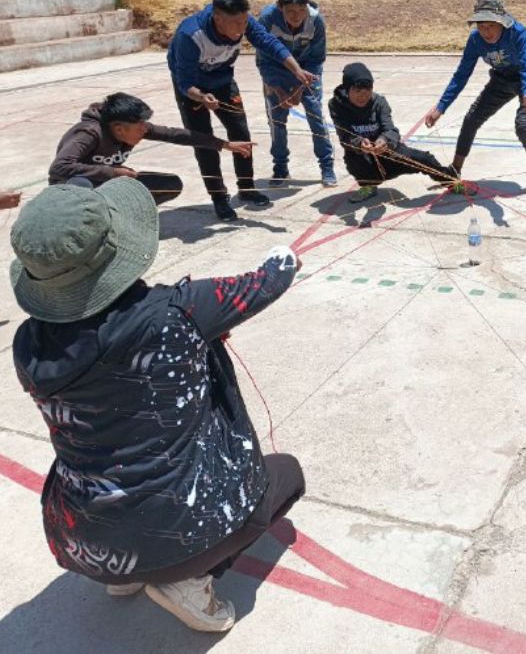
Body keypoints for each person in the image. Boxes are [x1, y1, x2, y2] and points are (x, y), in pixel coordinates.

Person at [10, 178, 305, 632]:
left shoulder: (27, 344)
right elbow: (269, 278)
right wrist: (285, 253)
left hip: (79, 534)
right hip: (175, 530)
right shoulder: (176, 311)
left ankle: (125, 575)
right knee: (287, 475)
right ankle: (187, 579)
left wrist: (193, 344)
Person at [167, 0, 316, 221]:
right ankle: (219, 198)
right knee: (205, 142)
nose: (241, 29)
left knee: (241, 133)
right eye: (236, 24)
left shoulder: (244, 21)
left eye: (244, 22)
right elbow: (184, 82)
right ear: (217, 18)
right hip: (193, 89)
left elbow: (269, 43)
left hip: (223, 81)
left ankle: (246, 188)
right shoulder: (190, 35)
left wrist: (297, 70)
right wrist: (201, 97)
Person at [425, 0, 526, 194]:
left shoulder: (518, 33)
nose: (487, 32)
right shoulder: (475, 40)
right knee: (471, 119)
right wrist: (441, 107)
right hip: (501, 78)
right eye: (481, 26)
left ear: (502, 23)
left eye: (491, 26)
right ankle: (454, 169)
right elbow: (461, 75)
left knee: (524, 125)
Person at [48, 92, 254, 205]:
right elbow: (59, 168)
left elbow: (176, 135)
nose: (145, 130)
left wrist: (224, 144)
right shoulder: (88, 133)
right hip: (71, 190)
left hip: (107, 184)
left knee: (169, 185)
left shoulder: (132, 127)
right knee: (81, 184)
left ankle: (115, 217)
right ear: (119, 129)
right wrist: (112, 172)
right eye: (141, 126)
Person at [329, 62, 456, 203]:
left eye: (367, 91)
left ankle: (451, 182)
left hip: (387, 151)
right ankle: (368, 185)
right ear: (347, 90)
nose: (363, 97)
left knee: (425, 159)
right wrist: (360, 143)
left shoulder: (379, 102)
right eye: (357, 91)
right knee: (354, 159)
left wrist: (384, 140)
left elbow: (391, 130)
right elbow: (344, 136)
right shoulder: (336, 105)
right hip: (362, 156)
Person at [255, 0, 337, 188]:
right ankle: (280, 166)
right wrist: (277, 88)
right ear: (279, 6)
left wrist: (302, 87)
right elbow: (263, 60)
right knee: (276, 121)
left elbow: (317, 58)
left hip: (307, 72)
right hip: (276, 73)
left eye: (301, 9)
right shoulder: (266, 20)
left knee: (316, 117)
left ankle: (327, 165)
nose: (296, 16)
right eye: (290, 10)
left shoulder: (316, 21)